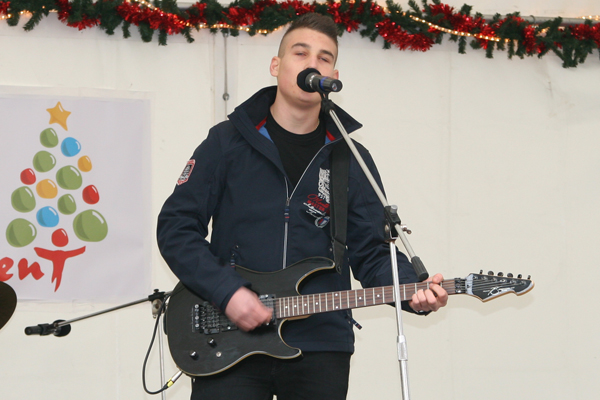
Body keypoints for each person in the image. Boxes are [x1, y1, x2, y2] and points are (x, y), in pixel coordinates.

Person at [157, 13, 448, 400]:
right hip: (229, 339)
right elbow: (176, 227)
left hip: (321, 346)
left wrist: (411, 289)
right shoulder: (226, 143)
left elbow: (371, 251)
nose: (313, 63)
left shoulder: (351, 157)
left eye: (324, 58)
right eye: (301, 53)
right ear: (276, 66)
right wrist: (227, 292)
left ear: (333, 76)